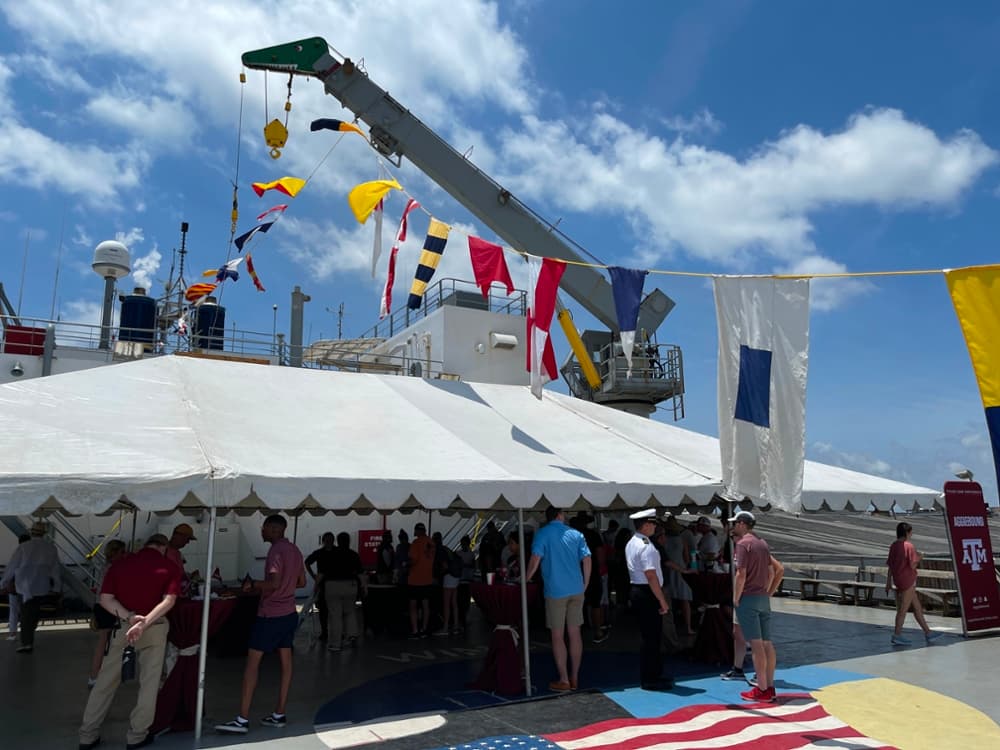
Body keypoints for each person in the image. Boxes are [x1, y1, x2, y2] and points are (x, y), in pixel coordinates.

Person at [78, 534, 182, 750]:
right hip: (154, 627)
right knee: (149, 684)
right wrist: (144, 623)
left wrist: (130, 618)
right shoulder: (169, 566)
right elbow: (169, 601)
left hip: (124, 627)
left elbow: (105, 599)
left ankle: (87, 735)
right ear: (162, 547)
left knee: (105, 683)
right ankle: (136, 736)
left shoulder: (120, 565)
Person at [216, 515, 305, 734]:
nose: (261, 531)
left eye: (263, 528)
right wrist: (285, 585)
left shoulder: (275, 551)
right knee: (286, 662)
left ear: (270, 529)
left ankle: (242, 719)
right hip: (289, 613)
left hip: (270, 615)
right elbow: (302, 582)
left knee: (252, 664)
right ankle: (279, 713)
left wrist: (252, 584)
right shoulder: (294, 550)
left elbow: (273, 584)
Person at [525, 506, 591, 692]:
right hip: (576, 589)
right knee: (575, 633)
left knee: (557, 635)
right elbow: (587, 559)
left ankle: (563, 679)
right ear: (560, 515)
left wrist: (526, 578)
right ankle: (575, 676)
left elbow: (535, 559)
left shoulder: (543, 534)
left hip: (555, 590)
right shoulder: (576, 534)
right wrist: (584, 584)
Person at [729, 511, 784, 703]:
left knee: (756, 644)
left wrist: (736, 597)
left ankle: (761, 688)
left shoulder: (743, 544)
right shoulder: (762, 544)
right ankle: (769, 685)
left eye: (735, 523)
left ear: (742, 524)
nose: (733, 526)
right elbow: (774, 571)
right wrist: (768, 592)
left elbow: (741, 573)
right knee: (767, 643)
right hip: (762, 598)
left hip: (748, 598)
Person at [625, 509, 673, 691]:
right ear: (645, 525)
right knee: (652, 637)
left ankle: (653, 674)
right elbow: (651, 575)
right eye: (653, 524)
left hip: (639, 590)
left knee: (649, 636)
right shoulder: (646, 546)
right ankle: (651, 677)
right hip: (647, 591)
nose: (654, 527)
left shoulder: (633, 542)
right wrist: (662, 600)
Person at [0, 521, 60, 654]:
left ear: (31, 532)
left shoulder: (23, 547)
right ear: (44, 534)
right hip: (41, 586)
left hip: (24, 587)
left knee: (26, 614)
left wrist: (3, 583)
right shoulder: (51, 548)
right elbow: (55, 569)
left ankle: (27, 643)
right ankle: (28, 638)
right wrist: (57, 586)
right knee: (34, 613)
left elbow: (12, 566)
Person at [886, 521, 942, 646]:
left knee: (917, 607)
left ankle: (928, 632)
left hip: (899, 579)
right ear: (907, 533)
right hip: (908, 580)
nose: (912, 534)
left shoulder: (894, 545)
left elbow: (890, 565)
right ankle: (897, 634)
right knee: (903, 609)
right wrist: (920, 557)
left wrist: (888, 582)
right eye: (911, 532)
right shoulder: (909, 546)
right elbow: (912, 564)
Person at [88, 539, 129, 688]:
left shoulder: (104, 567)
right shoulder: (114, 568)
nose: (125, 555)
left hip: (100, 605)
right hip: (109, 605)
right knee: (107, 641)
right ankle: (96, 675)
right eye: (123, 552)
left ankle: (96, 674)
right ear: (116, 553)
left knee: (105, 641)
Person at [324, 532, 364, 652]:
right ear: (349, 541)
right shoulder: (353, 554)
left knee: (335, 615)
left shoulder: (330, 554)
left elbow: (322, 572)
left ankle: (336, 644)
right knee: (350, 611)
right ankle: (352, 635)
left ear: (337, 540)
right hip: (350, 585)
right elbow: (360, 573)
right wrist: (364, 587)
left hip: (332, 586)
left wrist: (317, 585)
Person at [572, 513, 608, 644]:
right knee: (595, 604)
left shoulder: (570, 536)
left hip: (574, 574)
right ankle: (598, 632)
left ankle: (576, 633)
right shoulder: (593, 535)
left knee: (576, 605)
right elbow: (600, 556)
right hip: (592, 574)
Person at [305, 532, 336, 642]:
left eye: (330, 540)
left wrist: (314, 576)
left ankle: (327, 632)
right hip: (327, 584)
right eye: (328, 540)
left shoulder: (320, 552)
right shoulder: (335, 552)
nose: (329, 542)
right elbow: (307, 562)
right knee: (325, 610)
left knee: (327, 610)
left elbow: (307, 562)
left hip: (327, 583)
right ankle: (327, 632)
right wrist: (314, 576)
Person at [407, 522, 435, 638]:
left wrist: (406, 564)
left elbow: (414, 560)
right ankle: (424, 629)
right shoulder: (432, 543)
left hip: (415, 579)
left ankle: (415, 630)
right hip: (427, 579)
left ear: (417, 531)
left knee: (413, 606)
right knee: (425, 606)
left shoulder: (416, 543)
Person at [4, 533, 30, 641]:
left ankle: (13, 634)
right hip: (28, 586)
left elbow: (11, 570)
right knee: (26, 611)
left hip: (15, 585)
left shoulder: (18, 553)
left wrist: (4, 584)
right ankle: (27, 633)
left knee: (14, 610)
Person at [456, 535, 477, 629]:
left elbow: (473, 565)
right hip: (460, 580)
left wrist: (466, 565)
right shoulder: (458, 553)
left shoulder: (471, 554)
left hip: (468, 580)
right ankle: (461, 616)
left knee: (467, 599)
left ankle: (466, 615)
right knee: (460, 599)